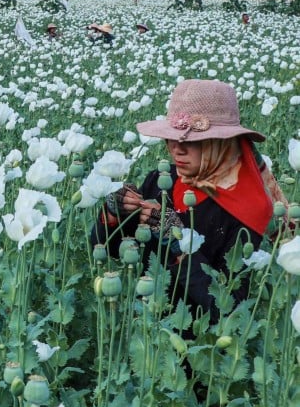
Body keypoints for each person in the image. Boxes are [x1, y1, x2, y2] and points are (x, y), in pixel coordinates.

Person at [92, 79, 285, 316]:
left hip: (198, 342)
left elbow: (227, 308)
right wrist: (114, 213)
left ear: (221, 143)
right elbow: (109, 252)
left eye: (191, 141)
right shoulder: (162, 180)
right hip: (145, 324)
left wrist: (180, 243)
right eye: (172, 138)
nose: (176, 149)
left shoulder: (250, 210)